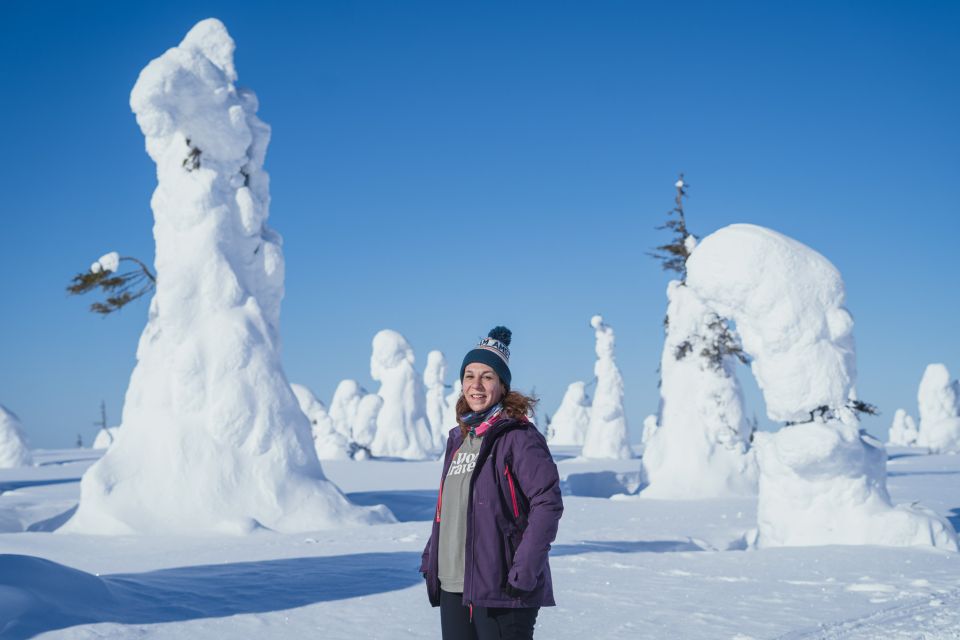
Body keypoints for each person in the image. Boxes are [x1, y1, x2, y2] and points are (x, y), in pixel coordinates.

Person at [421, 326, 563, 640]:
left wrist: (524, 571)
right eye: (469, 375)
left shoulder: (518, 437)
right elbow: (454, 506)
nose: (477, 385)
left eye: (487, 376)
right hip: (454, 586)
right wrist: (432, 556)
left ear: (501, 384)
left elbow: (547, 503)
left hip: (503, 586)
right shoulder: (460, 439)